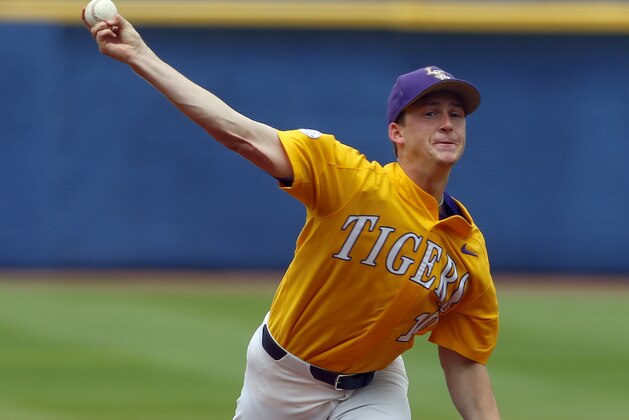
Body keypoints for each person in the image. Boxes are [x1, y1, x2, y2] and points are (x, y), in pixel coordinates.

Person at [84, 11, 500, 420]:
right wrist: (140, 55)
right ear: (397, 132)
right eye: (430, 113)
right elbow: (240, 134)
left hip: (373, 386)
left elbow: (464, 359)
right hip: (281, 377)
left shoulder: (467, 249)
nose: (447, 124)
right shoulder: (349, 180)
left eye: (456, 114)